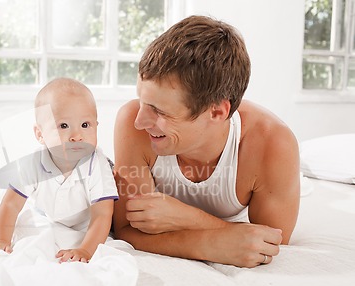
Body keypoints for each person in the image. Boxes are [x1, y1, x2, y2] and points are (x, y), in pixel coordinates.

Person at [112, 15, 300, 268]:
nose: (139, 121)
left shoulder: (272, 144)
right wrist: (207, 244)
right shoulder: (131, 125)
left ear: (216, 112)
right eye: (142, 100)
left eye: (160, 111)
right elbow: (126, 229)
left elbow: (268, 244)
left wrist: (187, 218)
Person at [0, 78, 118, 263]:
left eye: (85, 125)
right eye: (63, 126)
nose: (77, 136)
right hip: (52, 213)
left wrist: (86, 250)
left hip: (86, 223)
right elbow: (10, 205)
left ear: (96, 125)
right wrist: (1, 240)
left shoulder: (97, 164)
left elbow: (102, 215)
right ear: (40, 134)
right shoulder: (32, 164)